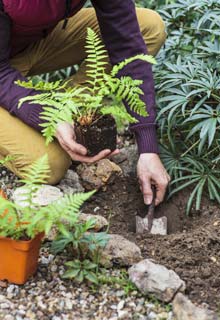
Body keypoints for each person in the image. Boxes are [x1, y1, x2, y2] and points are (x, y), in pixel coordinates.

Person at [0, 0, 170, 206]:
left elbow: (127, 43)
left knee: (148, 27)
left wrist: (147, 148)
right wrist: (46, 115)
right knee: (49, 164)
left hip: (29, 44)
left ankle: (69, 115)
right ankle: (45, 119)